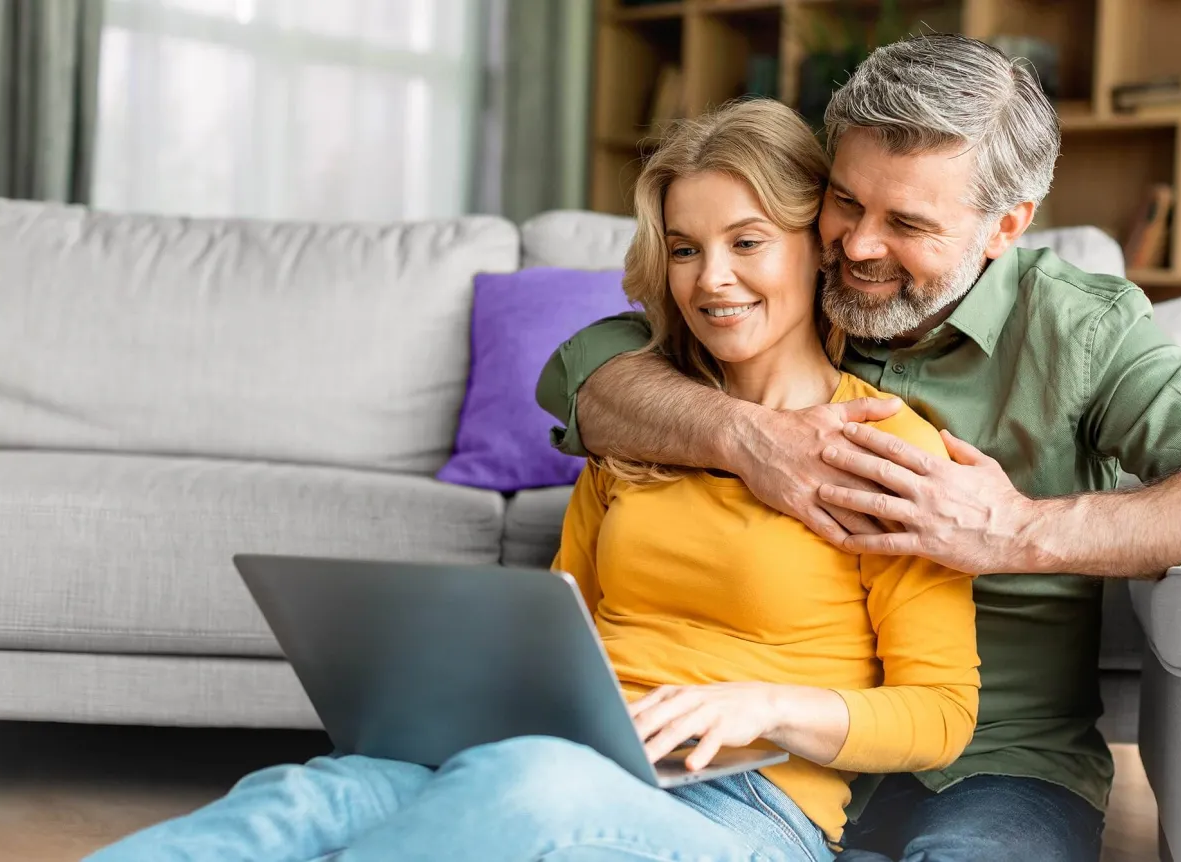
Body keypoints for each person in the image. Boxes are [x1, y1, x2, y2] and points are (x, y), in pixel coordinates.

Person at [87, 99, 980, 862]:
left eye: (748, 242)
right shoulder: (640, 432)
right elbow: (563, 633)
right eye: (684, 249)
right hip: (558, 752)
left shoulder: (887, 448)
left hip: (747, 811)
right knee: (310, 793)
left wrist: (765, 705)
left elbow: (939, 716)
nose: (713, 280)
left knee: (523, 785)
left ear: (818, 247)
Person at [536, 34, 1181, 862]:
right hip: (772, 761)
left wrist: (1014, 529)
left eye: (906, 224)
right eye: (847, 202)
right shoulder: (795, 281)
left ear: (1006, 226)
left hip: (990, 759)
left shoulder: (1076, 332)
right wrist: (748, 437)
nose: (858, 246)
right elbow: (589, 370)